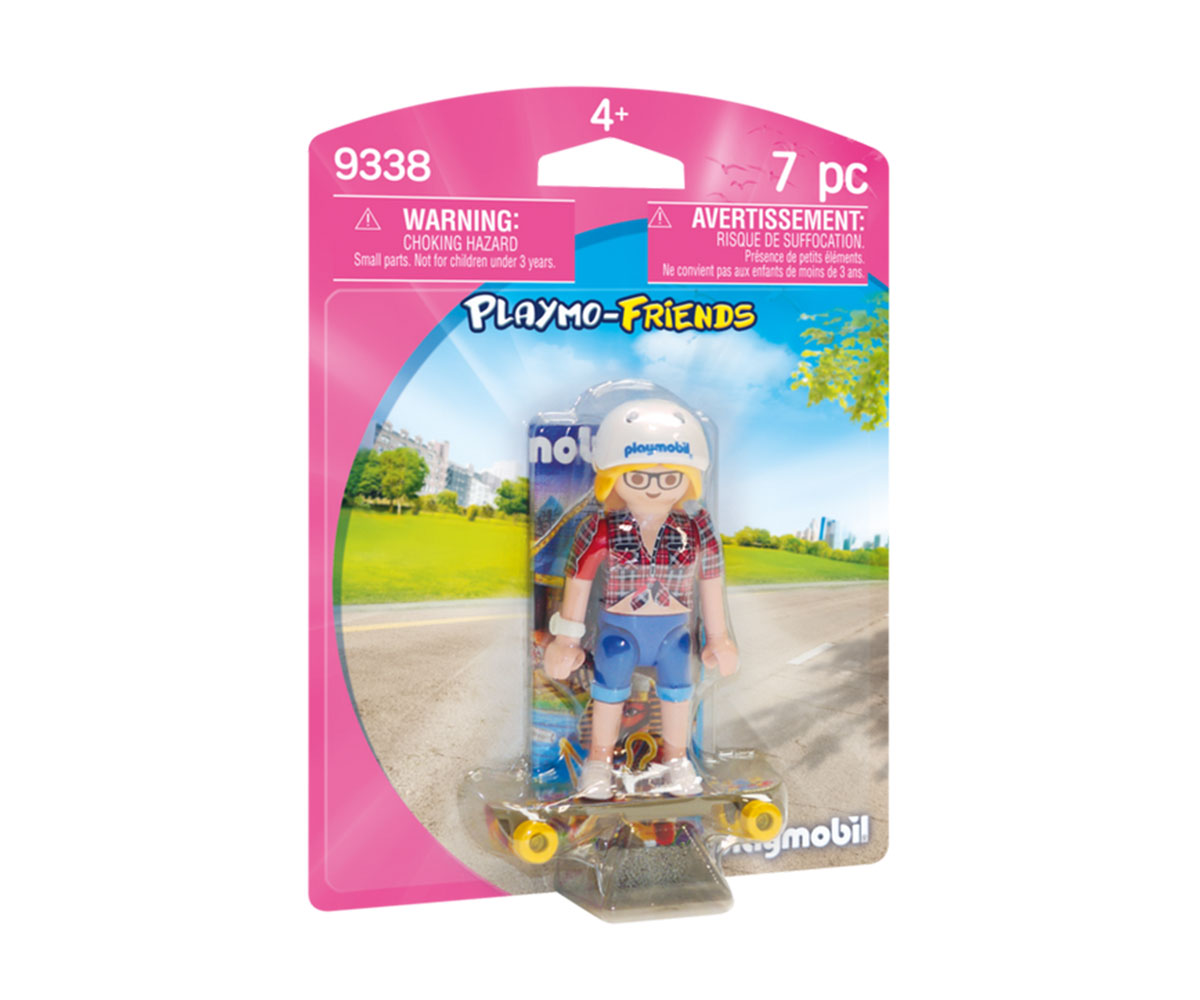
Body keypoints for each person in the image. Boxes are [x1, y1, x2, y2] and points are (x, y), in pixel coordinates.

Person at [543, 398, 739, 798]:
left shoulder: (696, 529)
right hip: (618, 633)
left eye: (668, 478)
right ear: (613, 478)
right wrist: (566, 640)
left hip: (674, 634)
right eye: (637, 477)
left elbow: (710, 582)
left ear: (688, 479)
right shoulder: (601, 528)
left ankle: (676, 760)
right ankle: (599, 762)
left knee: (678, 694)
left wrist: (718, 638)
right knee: (607, 694)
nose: (653, 486)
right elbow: (578, 582)